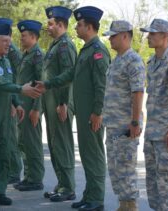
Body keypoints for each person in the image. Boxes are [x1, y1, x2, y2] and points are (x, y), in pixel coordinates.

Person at [36, 6, 110, 211]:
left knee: (94, 155)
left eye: (79, 25)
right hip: (85, 112)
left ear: (89, 26)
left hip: (92, 113)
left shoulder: (98, 51)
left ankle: (97, 199)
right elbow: (70, 75)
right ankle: (89, 195)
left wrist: (98, 112)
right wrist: (47, 84)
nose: (76, 28)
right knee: (86, 154)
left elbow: (101, 85)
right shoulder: (86, 49)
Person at [0, 20, 41, 206]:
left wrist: (17, 103)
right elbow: (0, 83)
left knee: (4, 153)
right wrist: (22, 90)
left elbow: (8, 85)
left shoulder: (5, 61)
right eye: (4, 40)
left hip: (4, 116)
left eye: (9, 40)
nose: (9, 44)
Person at [140, 19, 168, 211]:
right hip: (152, 133)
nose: (148, 37)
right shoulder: (151, 63)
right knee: (153, 185)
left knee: (167, 185)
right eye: (148, 33)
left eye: (153, 33)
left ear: (165, 36)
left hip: (167, 135)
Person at [103, 20, 145, 211]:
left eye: (113, 35)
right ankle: (123, 205)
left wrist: (135, 121)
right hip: (112, 125)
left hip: (125, 126)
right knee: (115, 169)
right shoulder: (117, 60)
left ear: (125, 36)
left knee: (126, 169)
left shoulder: (133, 60)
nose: (110, 39)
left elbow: (138, 92)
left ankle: (130, 206)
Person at [42, 6, 77, 202]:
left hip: (60, 102)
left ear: (61, 25)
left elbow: (67, 75)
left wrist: (63, 102)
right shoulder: (56, 45)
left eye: (50, 23)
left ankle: (68, 188)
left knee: (62, 144)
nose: (48, 27)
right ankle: (62, 183)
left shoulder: (65, 46)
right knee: (55, 144)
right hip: (51, 101)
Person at [0, 17, 24, 184]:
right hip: (7, 95)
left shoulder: (12, 52)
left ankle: (14, 171)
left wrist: (14, 101)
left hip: (12, 96)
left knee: (10, 136)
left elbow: (16, 78)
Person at [13, 19, 45, 191]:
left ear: (33, 37)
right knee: (24, 142)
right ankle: (28, 176)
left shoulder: (38, 55)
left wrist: (36, 108)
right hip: (23, 106)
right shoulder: (26, 54)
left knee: (32, 143)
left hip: (31, 107)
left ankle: (36, 179)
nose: (21, 38)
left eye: (24, 36)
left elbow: (41, 84)